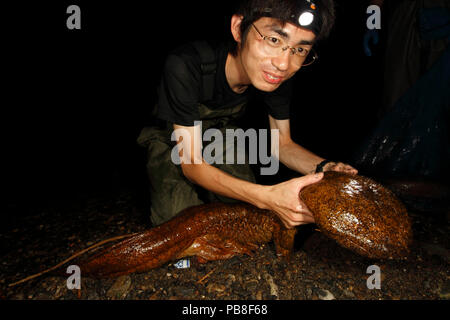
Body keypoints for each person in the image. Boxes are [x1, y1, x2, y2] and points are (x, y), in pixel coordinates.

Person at [138, 0, 358, 229]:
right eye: (274, 40)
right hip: (171, 137)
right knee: (179, 222)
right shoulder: (186, 63)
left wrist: (325, 167)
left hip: (219, 134)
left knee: (244, 214)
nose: (283, 64)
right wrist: (268, 197)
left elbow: (281, 144)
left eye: (300, 50)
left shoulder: (276, 77)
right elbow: (192, 163)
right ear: (238, 28)